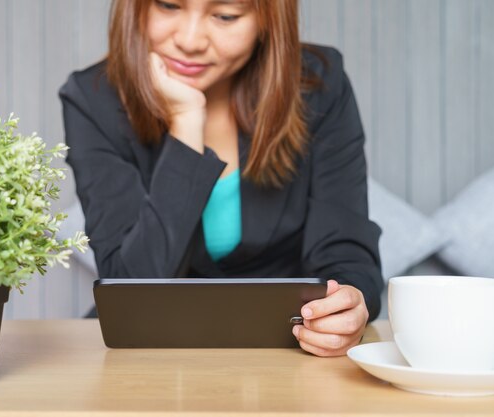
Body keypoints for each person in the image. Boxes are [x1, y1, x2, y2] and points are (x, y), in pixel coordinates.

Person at [59, 0, 384, 357]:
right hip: (148, 354)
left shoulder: (319, 84)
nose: (190, 39)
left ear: (267, 19)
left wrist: (347, 305)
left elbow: (347, 254)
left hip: (288, 350)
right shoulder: (93, 100)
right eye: (169, 5)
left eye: (225, 15)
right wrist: (186, 122)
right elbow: (129, 291)